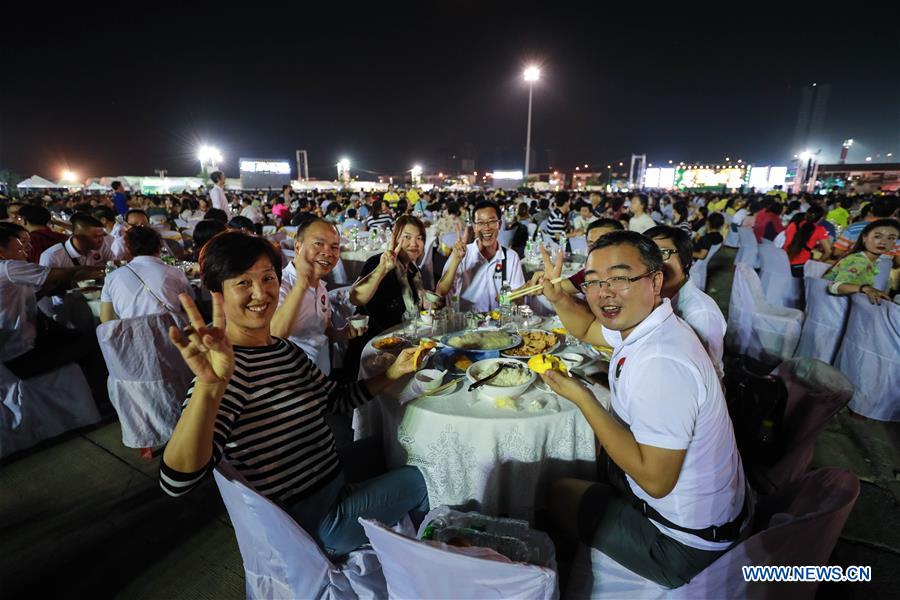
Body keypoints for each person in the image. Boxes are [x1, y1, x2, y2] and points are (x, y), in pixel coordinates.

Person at [159, 231, 429, 558]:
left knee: (398, 447)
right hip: (315, 520)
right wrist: (208, 388)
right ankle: (421, 564)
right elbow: (176, 482)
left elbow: (336, 400)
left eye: (268, 278)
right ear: (217, 293)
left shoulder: (281, 349)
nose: (261, 293)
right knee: (425, 477)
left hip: (329, 475)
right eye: (242, 283)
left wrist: (393, 372)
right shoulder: (226, 373)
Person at [539, 231, 748, 588]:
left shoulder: (661, 362)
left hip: (685, 543)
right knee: (594, 463)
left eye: (620, 278)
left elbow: (655, 481)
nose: (605, 292)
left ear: (655, 281)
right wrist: (559, 297)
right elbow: (588, 328)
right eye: (593, 281)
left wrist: (584, 398)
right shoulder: (654, 323)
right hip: (711, 510)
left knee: (552, 491)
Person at [1, 227, 104, 379]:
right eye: (19, 249)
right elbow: (68, 273)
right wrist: (105, 270)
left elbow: (24, 301)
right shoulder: (8, 267)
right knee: (94, 341)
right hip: (19, 349)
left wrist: (49, 287)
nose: (25, 252)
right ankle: (98, 390)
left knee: (80, 335)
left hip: (24, 335)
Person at [272, 219, 366, 375]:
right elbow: (274, 336)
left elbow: (323, 331)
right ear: (298, 246)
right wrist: (301, 286)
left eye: (334, 247)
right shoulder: (280, 285)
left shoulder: (321, 287)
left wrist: (344, 333)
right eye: (318, 244)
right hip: (292, 379)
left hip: (321, 375)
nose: (328, 252)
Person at [644, 226, 727, 380]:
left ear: (685, 260)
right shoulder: (653, 298)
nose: (655, 264)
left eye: (663, 253)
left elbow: (708, 375)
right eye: (647, 255)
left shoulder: (700, 313)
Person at [436, 201, 525, 312]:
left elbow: (519, 298)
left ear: (500, 225)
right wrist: (456, 260)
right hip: (465, 323)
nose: (486, 228)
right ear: (474, 227)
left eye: (492, 222)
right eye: (481, 223)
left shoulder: (511, 257)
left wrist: (513, 299)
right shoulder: (462, 253)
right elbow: (441, 292)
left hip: (498, 323)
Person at [350, 216, 428, 336]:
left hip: (407, 337)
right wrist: (383, 269)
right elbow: (355, 298)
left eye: (419, 238)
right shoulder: (378, 262)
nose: (414, 243)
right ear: (395, 239)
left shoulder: (414, 271)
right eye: (407, 237)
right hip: (376, 343)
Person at [100, 226, 193, 322]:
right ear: (159, 246)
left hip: (132, 335)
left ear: (127, 248)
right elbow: (190, 304)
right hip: (172, 334)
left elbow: (106, 319)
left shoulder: (112, 277)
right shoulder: (175, 273)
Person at [823, 219, 899, 303]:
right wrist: (864, 288)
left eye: (891, 238)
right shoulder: (859, 261)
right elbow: (833, 287)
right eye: (877, 236)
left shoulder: (873, 261)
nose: (884, 242)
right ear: (864, 238)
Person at [833, 197, 899, 258]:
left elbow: (837, 253)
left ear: (872, 209)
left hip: (855, 269)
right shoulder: (896, 232)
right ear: (896, 211)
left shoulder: (853, 228)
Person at [783, 206, 832, 277]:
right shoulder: (819, 230)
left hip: (784, 262)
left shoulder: (793, 225)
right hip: (802, 267)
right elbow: (828, 251)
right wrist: (820, 261)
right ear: (821, 218)